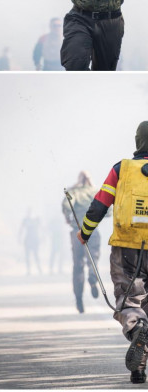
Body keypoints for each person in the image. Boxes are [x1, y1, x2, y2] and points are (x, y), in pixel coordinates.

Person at [77, 122, 148, 383]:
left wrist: (84, 233)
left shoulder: (122, 169)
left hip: (127, 249)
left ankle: (138, 333)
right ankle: (138, 369)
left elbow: (98, 207)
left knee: (130, 302)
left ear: (137, 141)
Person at [62, 171, 101, 313]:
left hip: (77, 232)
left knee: (78, 265)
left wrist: (68, 217)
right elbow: (107, 211)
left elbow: (67, 206)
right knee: (93, 259)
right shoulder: (95, 191)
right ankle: (92, 277)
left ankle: (78, 298)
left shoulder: (73, 192)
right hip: (93, 231)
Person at [19, 208, 42, 276]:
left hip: (34, 240)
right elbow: (21, 229)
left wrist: (42, 237)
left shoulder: (36, 219)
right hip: (29, 240)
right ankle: (29, 270)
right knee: (28, 256)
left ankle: (39, 269)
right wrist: (19, 237)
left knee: (35, 255)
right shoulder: (26, 220)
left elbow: (41, 228)